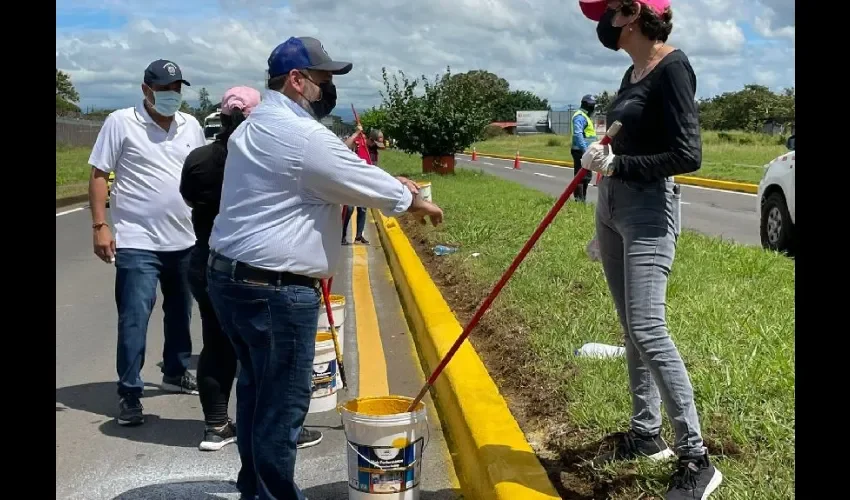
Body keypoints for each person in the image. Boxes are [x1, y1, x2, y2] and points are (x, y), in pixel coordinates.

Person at [206, 36, 443, 500]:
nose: (325, 90)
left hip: (229, 278)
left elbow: (329, 174)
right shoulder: (302, 136)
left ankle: (254, 487)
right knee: (281, 408)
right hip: (274, 291)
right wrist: (415, 201)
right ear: (297, 80)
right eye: (322, 81)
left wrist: (388, 182)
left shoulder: (252, 127)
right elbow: (352, 177)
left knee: (255, 391)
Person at [578, 1, 722, 498]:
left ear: (633, 16)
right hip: (613, 207)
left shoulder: (674, 69)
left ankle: (696, 456)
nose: (603, 24)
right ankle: (646, 433)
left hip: (647, 210)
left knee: (647, 327)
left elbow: (688, 154)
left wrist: (621, 167)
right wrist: (605, 158)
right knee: (631, 328)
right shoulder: (632, 71)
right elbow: (627, 139)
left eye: (610, 13)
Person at [88, 59, 205, 426]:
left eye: (176, 89)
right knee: (135, 317)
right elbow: (98, 173)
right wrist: (99, 225)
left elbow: (202, 173)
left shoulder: (191, 125)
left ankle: (175, 370)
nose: (172, 96)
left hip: (185, 239)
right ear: (145, 89)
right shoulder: (120, 122)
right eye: (164, 90)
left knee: (181, 314)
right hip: (138, 242)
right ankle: (130, 392)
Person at [180, 86, 261, 451]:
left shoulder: (198, 159)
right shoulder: (259, 160)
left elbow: (187, 197)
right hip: (248, 263)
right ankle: (263, 429)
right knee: (260, 348)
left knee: (214, 342)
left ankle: (215, 425)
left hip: (203, 258)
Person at [341, 128, 386, 244]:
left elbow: (374, 167)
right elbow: (344, 147)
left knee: (362, 209)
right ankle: (342, 235)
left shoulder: (374, 151)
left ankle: (359, 236)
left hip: (364, 183)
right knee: (349, 209)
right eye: (376, 142)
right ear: (370, 139)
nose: (377, 146)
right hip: (352, 181)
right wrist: (356, 132)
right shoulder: (358, 144)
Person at [570, 94, 598, 202]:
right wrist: (585, 150)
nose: (593, 108)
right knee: (581, 177)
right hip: (581, 150)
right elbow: (578, 134)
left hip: (586, 150)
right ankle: (579, 201)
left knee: (586, 176)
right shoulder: (580, 116)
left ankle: (582, 200)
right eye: (591, 105)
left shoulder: (586, 116)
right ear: (585, 105)